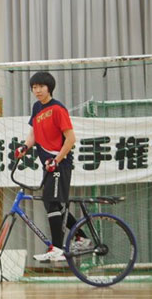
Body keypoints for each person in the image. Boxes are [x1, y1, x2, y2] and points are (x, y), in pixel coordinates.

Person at [15, 71, 90, 262]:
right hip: (48, 164)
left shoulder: (58, 109)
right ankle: (81, 237)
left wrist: (56, 160)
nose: (37, 90)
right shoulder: (37, 107)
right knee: (51, 202)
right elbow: (33, 133)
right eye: (34, 87)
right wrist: (25, 146)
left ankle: (57, 248)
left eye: (40, 86)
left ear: (49, 88)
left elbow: (71, 138)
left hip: (59, 163)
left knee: (53, 202)